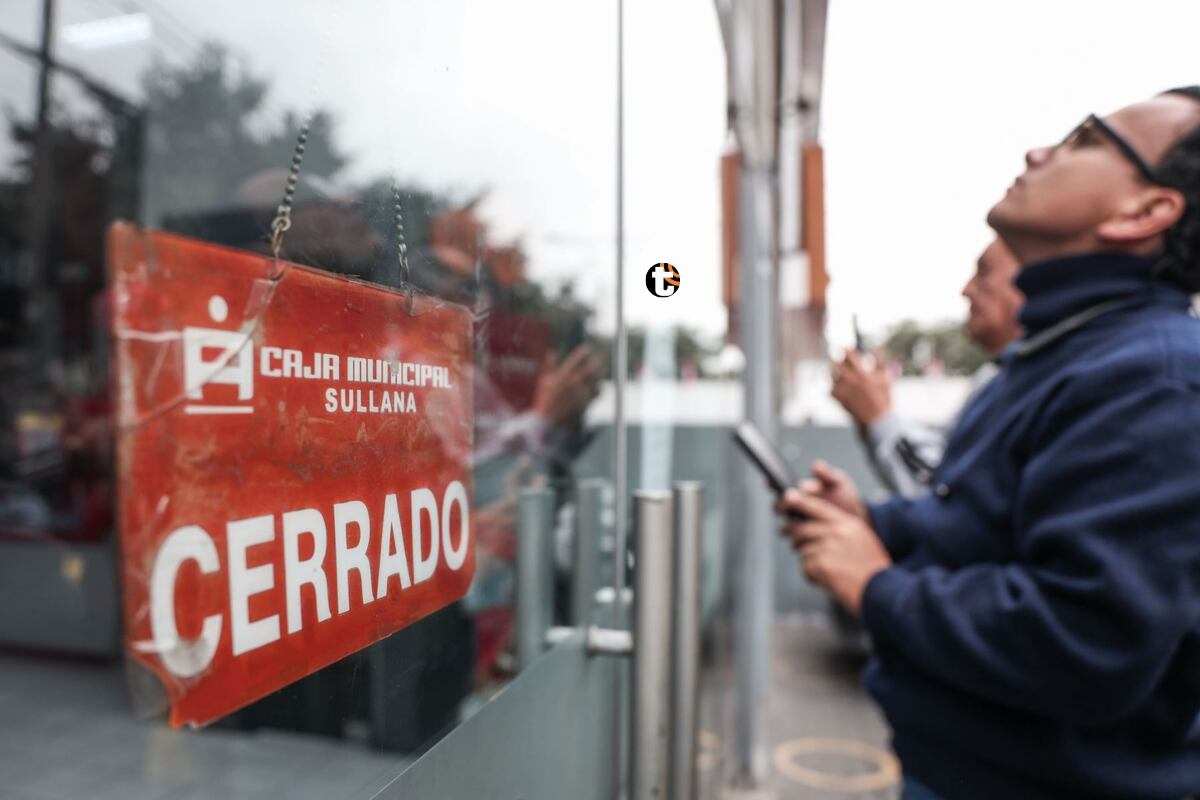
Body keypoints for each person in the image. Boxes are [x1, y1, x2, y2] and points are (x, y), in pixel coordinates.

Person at [778, 87, 1200, 799]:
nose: (1039, 152)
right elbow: (977, 517)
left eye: (1086, 140)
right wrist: (873, 521)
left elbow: (1083, 642)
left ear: (1145, 212)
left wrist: (874, 584)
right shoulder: (1057, 355)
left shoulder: (1153, 379)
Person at [831, 239, 1023, 496]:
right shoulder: (998, 374)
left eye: (984, 273)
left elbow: (941, 492)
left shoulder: (1032, 379)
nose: (966, 290)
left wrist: (878, 416)